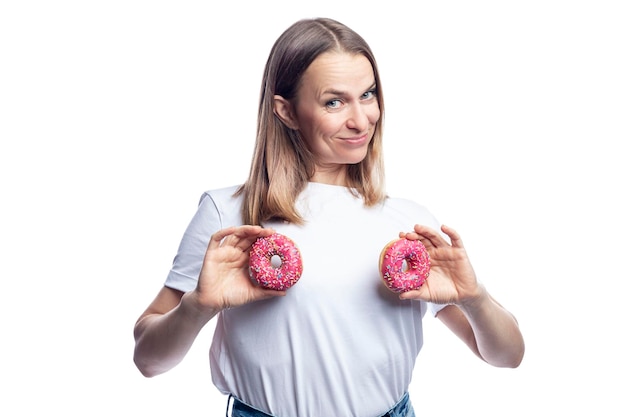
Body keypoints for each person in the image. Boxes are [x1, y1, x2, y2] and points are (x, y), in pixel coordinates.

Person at [133, 17, 525, 417]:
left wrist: (473, 297)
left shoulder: (408, 225)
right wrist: (198, 306)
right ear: (285, 111)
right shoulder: (230, 215)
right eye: (333, 102)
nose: (360, 120)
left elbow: (507, 356)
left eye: (368, 94)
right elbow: (148, 361)